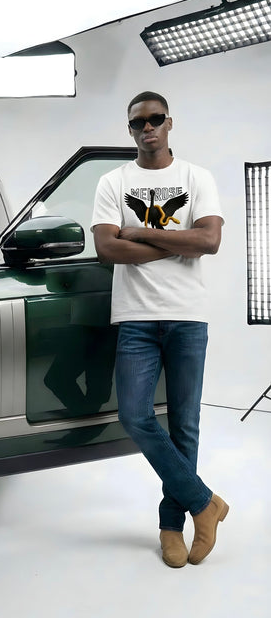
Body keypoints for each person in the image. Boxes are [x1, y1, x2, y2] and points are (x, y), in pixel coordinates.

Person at [91, 91, 229, 568]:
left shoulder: (197, 177)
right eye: (137, 123)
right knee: (135, 416)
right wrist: (177, 242)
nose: (147, 128)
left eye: (155, 119)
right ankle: (205, 503)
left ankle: (172, 526)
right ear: (130, 130)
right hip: (135, 318)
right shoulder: (113, 181)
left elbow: (209, 240)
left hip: (187, 315)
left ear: (170, 123)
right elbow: (108, 251)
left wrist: (142, 232)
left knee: (184, 423)